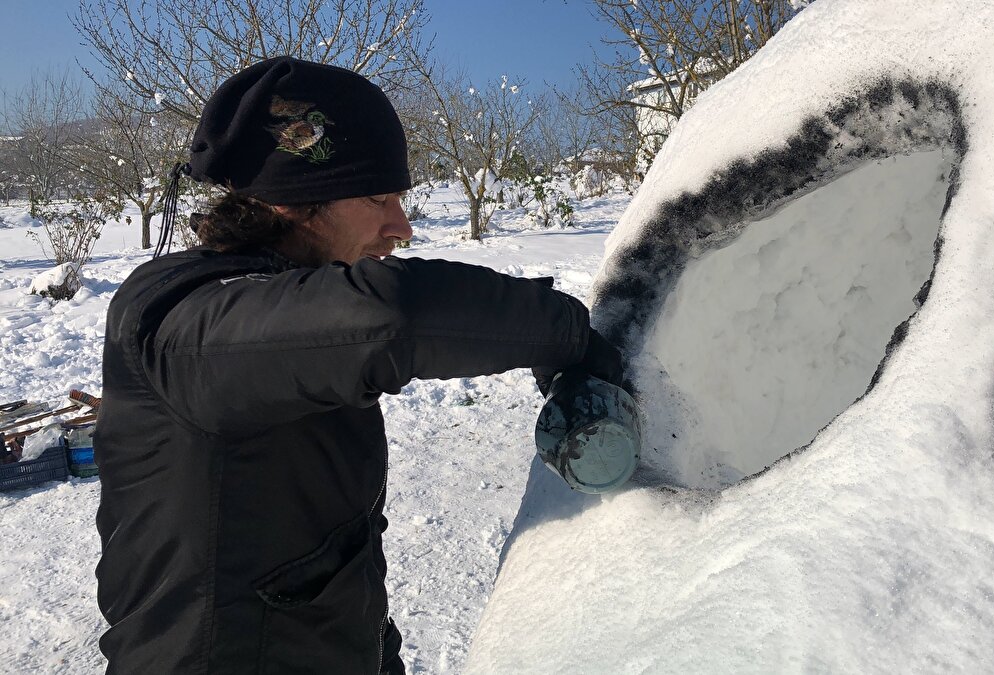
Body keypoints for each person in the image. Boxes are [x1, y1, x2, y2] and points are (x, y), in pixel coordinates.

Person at [94, 56, 623, 674]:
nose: (400, 225)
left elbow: (333, 553)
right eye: (377, 196)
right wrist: (563, 333)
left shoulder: (296, 293)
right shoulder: (188, 323)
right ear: (293, 201)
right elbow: (393, 317)